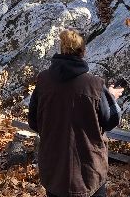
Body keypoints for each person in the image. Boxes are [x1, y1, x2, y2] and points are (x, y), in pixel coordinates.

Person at [29, 29, 123, 197]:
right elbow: (111, 119)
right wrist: (111, 97)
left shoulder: (43, 81)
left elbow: (33, 122)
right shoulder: (94, 84)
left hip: (53, 169)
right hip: (89, 169)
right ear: (83, 51)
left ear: (61, 48)